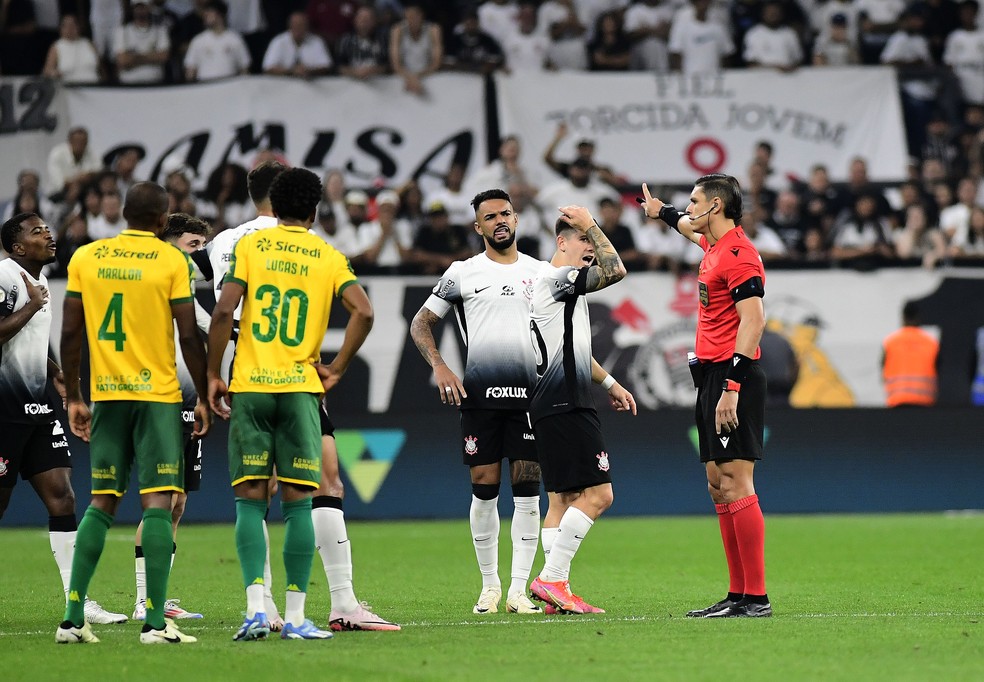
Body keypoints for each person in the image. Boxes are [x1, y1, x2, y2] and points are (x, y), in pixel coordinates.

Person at [206, 167, 374, 641]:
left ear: (273, 208)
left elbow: (222, 311)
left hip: (252, 384)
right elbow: (364, 310)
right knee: (301, 505)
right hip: (301, 387)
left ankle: (258, 607)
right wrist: (337, 367)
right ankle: (298, 617)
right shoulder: (326, 253)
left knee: (250, 502)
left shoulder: (249, 247)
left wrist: (214, 375)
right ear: (316, 210)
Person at [56, 182, 210, 645]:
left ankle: (72, 618)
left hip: (107, 396)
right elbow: (188, 334)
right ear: (164, 222)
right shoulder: (171, 261)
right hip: (158, 398)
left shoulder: (86, 257)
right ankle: (156, 623)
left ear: (123, 213)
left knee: (101, 501)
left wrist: (76, 397)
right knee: (159, 502)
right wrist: (202, 394)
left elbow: (70, 333)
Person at [409, 188, 546, 616]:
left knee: (527, 492)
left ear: (517, 219)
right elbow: (421, 323)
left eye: (505, 213)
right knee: (484, 491)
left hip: (531, 396)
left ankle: (519, 589)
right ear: (478, 226)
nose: (499, 221)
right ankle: (489, 586)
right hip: (481, 396)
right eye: (490, 217)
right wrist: (440, 366)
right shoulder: (462, 273)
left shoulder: (542, 272)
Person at [640, 173, 771, 618]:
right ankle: (736, 595)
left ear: (715, 206)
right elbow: (685, 226)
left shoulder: (739, 254)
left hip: (735, 378)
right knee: (718, 486)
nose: (689, 208)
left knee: (737, 481)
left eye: (694, 201)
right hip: (711, 377)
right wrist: (662, 213)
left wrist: (731, 388)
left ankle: (757, 598)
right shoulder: (713, 246)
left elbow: (754, 322)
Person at [0, 212, 127, 628]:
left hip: (37, 407)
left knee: (64, 498)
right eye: (37, 232)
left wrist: (53, 367)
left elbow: (29, 336)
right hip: (4, 409)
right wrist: (32, 305)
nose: (48, 235)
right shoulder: (6, 276)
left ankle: (80, 599)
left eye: (47, 229)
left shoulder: (39, 284)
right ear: (18, 247)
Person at [526, 207, 634, 615]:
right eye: (584, 240)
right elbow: (617, 270)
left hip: (547, 401)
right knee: (599, 494)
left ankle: (556, 592)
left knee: (562, 499)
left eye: (590, 240)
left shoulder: (552, 286)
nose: (590, 247)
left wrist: (610, 383)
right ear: (562, 242)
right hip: (564, 400)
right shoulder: (558, 279)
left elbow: (574, 350)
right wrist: (591, 222)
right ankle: (552, 578)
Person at [130, 213, 213, 623]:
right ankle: (145, 599)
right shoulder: (156, 278)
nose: (201, 254)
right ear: (170, 242)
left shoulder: (182, 288)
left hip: (187, 401)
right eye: (194, 245)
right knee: (161, 502)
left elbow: (207, 326)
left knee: (177, 504)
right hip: (159, 399)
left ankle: (158, 597)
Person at [881, 301, 939, 407]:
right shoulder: (931, 343)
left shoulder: (890, 342)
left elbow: (883, 372)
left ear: (903, 317)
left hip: (897, 402)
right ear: (919, 317)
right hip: (924, 403)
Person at [183, 0, 251, 81]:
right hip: (204, 87)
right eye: (205, 13)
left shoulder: (235, 38)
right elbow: (190, 70)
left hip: (230, 86)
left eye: (209, 13)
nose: (205, 15)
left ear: (220, 15)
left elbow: (244, 68)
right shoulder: (198, 40)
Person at [113, 0, 171, 85]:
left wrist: (134, 57)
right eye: (137, 7)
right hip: (128, 85)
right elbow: (122, 60)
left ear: (149, 7)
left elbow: (164, 56)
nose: (140, 10)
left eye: (143, 6)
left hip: (155, 84)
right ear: (132, 8)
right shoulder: (122, 31)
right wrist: (152, 55)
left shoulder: (160, 30)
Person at [262, 11, 333, 79]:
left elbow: (326, 66)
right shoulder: (278, 41)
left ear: (307, 27)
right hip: (283, 86)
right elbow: (268, 68)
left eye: (301, 25)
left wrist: (309, 71)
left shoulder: (317, 41)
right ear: (289, 26)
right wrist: (291, 71)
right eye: (295, 25)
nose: (298, 29)